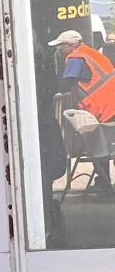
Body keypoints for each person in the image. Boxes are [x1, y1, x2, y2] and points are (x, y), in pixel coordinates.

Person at [49, 29, 115, 191]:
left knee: (96, 145)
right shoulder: (92, 53)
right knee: (108, 146)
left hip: (105, 108)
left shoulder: (75, 58)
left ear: (71, 46)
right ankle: (104, 182)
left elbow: (65, 84)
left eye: (61, 46)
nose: (59, 50)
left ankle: (104, 184)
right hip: (111, 104)